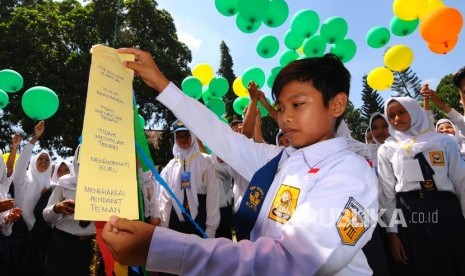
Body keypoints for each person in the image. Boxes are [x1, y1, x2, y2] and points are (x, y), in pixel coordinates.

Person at [102, 49, 378, 275]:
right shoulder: (278, 159)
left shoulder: (351, 173)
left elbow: (291, 261)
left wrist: (159, 248)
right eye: (281, 108)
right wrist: (161, 83)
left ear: (337, 105)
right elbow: (219, 134)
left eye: (297, 104)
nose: (284, 118)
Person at [377, 97, 465, 275]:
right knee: (422, 263)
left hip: (446, 209)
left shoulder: (443, 142)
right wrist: (392, 233)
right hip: (410, 214)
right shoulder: (387, 149)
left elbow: (461, 181)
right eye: (391, 115)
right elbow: (387, 194)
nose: (396, 119)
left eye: (402, 112)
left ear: (414, 111)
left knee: (453, 260)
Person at [42, 145, 105, 276]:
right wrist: (57, 208)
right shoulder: (63, 183)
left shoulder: (106, 186)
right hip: (63, 246)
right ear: (77, 158)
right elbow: (46, 216)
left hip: (93, 248)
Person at [157, 120, 220, 239]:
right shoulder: (170, 166)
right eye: (179, 136)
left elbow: (213, 196)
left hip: (200, 219)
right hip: (176, 221)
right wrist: (164, 227)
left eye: (186, 135)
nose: (183, 139)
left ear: (193, 135)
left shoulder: (206, 162)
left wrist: (211, 229)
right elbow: (165, 199)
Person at [12, 120, 53, 275]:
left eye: (46, 160)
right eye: (40, 159)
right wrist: (34, 139)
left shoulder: (50, 185)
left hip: (41, 234)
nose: (43, 162)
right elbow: (21, 164)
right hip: (19, 230)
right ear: (34, 161)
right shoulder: (24, 178)